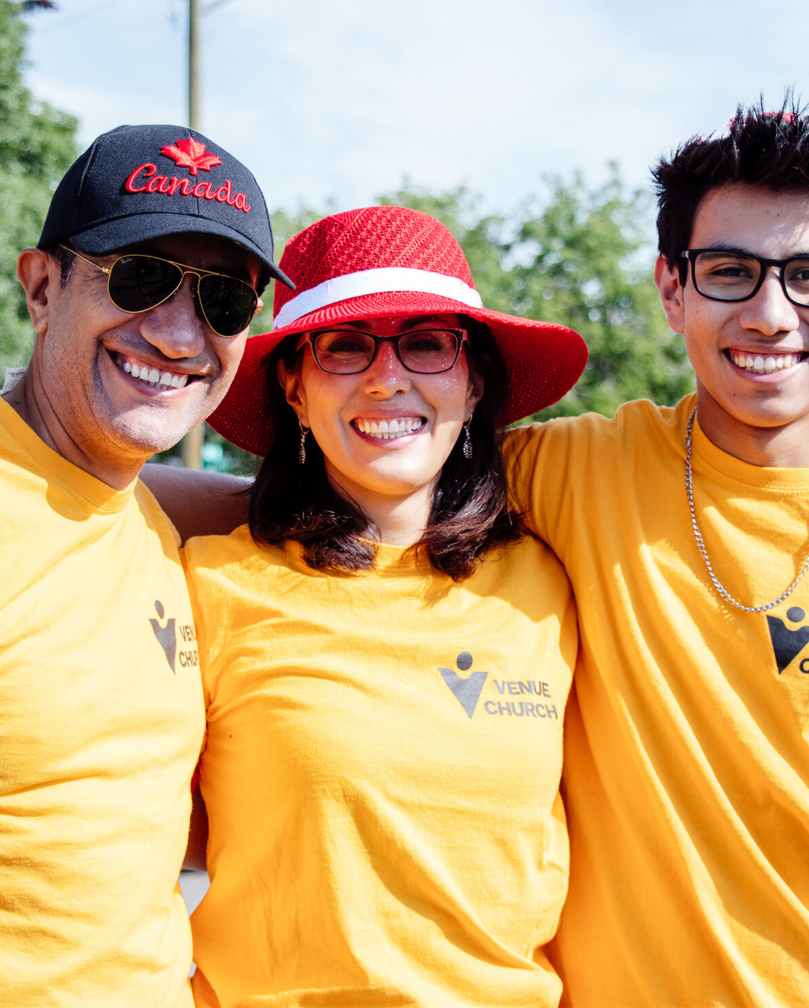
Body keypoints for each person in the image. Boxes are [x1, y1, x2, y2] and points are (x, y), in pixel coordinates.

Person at [503, 100, 809, 1006]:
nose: (771, 314)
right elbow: (346, 495)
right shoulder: (570, 472)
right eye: (731, 272)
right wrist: (127, 488)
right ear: (673, 289)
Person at [179, 205, 588, 1006]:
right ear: (293, 387)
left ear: (473, 384)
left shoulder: (555, 582)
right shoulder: (209, 586)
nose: (386, 376)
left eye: (427, 342)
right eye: (345, 346)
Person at [0, 123, 292, 1006]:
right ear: (40, 286)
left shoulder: (156, 523)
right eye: (138, 276)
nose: (180, 334)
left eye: (225, 302)